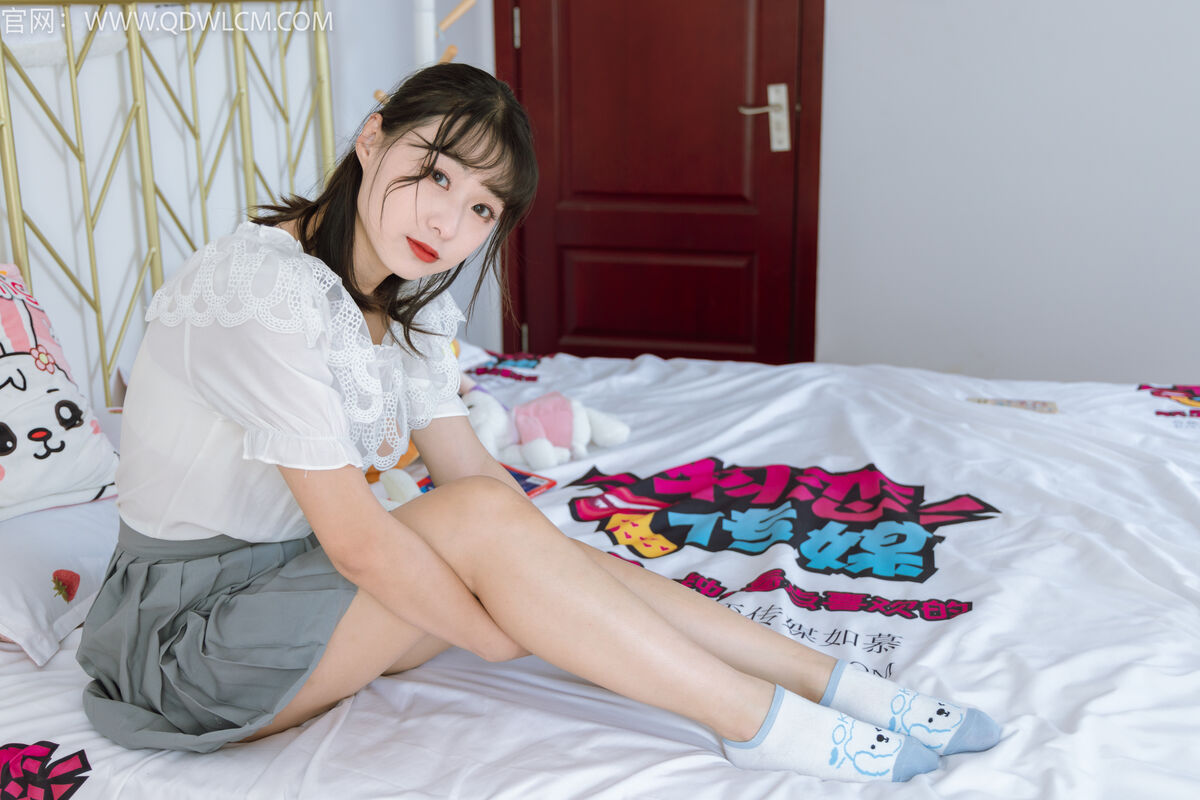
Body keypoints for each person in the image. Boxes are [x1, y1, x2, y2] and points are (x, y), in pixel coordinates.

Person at [75, 63, 1000, 783]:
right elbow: (360, 542)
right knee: (495, 537)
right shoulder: (260, 289)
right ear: (372, 138)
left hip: (297, 590)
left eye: (481, 206)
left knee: (527, 542)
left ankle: (830, 683)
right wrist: (497, 631)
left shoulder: (402, 306)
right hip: (188, 644)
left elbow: (473, 478)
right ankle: (757, 723)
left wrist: (540, 574)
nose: (448, 219)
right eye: (434, 172)